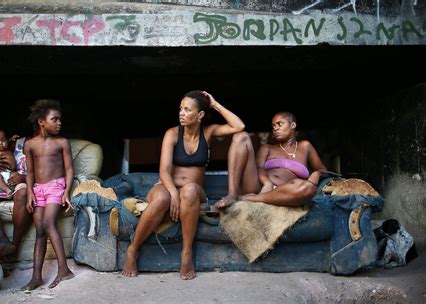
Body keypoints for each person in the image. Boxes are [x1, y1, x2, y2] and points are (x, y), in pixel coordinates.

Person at [122, 90, 245, 280]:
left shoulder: (209, 132)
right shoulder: (171, 134)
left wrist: (214, 104)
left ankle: (186, 253)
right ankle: (133, 249)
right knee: (162, 197)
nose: (181, 113)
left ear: (200, 115)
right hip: (167, 186)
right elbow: (164, 170)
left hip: (194, 192)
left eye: (187, 109)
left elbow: (239, 126)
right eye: (180, 109)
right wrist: (172, 194)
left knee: (189, 190)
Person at [214, 111, 327, 208]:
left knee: (308, 188)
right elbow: (257, 167)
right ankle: (232, 195)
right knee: (241, 136)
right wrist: (267, 182)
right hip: (259, 187)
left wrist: (317, 173)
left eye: (279, 124)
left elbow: (323, 169)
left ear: (292, 125)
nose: (275, 128)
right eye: (273, 126)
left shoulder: (305, 146)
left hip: (285, 191)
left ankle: (252, 199)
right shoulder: (267, 148)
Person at [24, 99, 75, 290]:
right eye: (55, 119)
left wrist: (66, 193)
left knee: (47, 222)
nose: (59, 123)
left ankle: (64, 269)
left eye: (60, 119)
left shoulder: (62, 142)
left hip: (56, 186)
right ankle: (36, 277)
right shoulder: (30, 144)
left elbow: (69, 169)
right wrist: (30, 192)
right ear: (41, 122)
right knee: (39, 231)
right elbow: (29, 172)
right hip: (38, 189)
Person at [0, 131, 32, 260]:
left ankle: (13, 247)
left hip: (21, 184)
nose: (0, 143)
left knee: (23, 193)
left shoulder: (41, 146)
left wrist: (24, 178)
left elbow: (48, 173)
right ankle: (3, 242)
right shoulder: (4, 147)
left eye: (3, 140)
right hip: (2, 184)